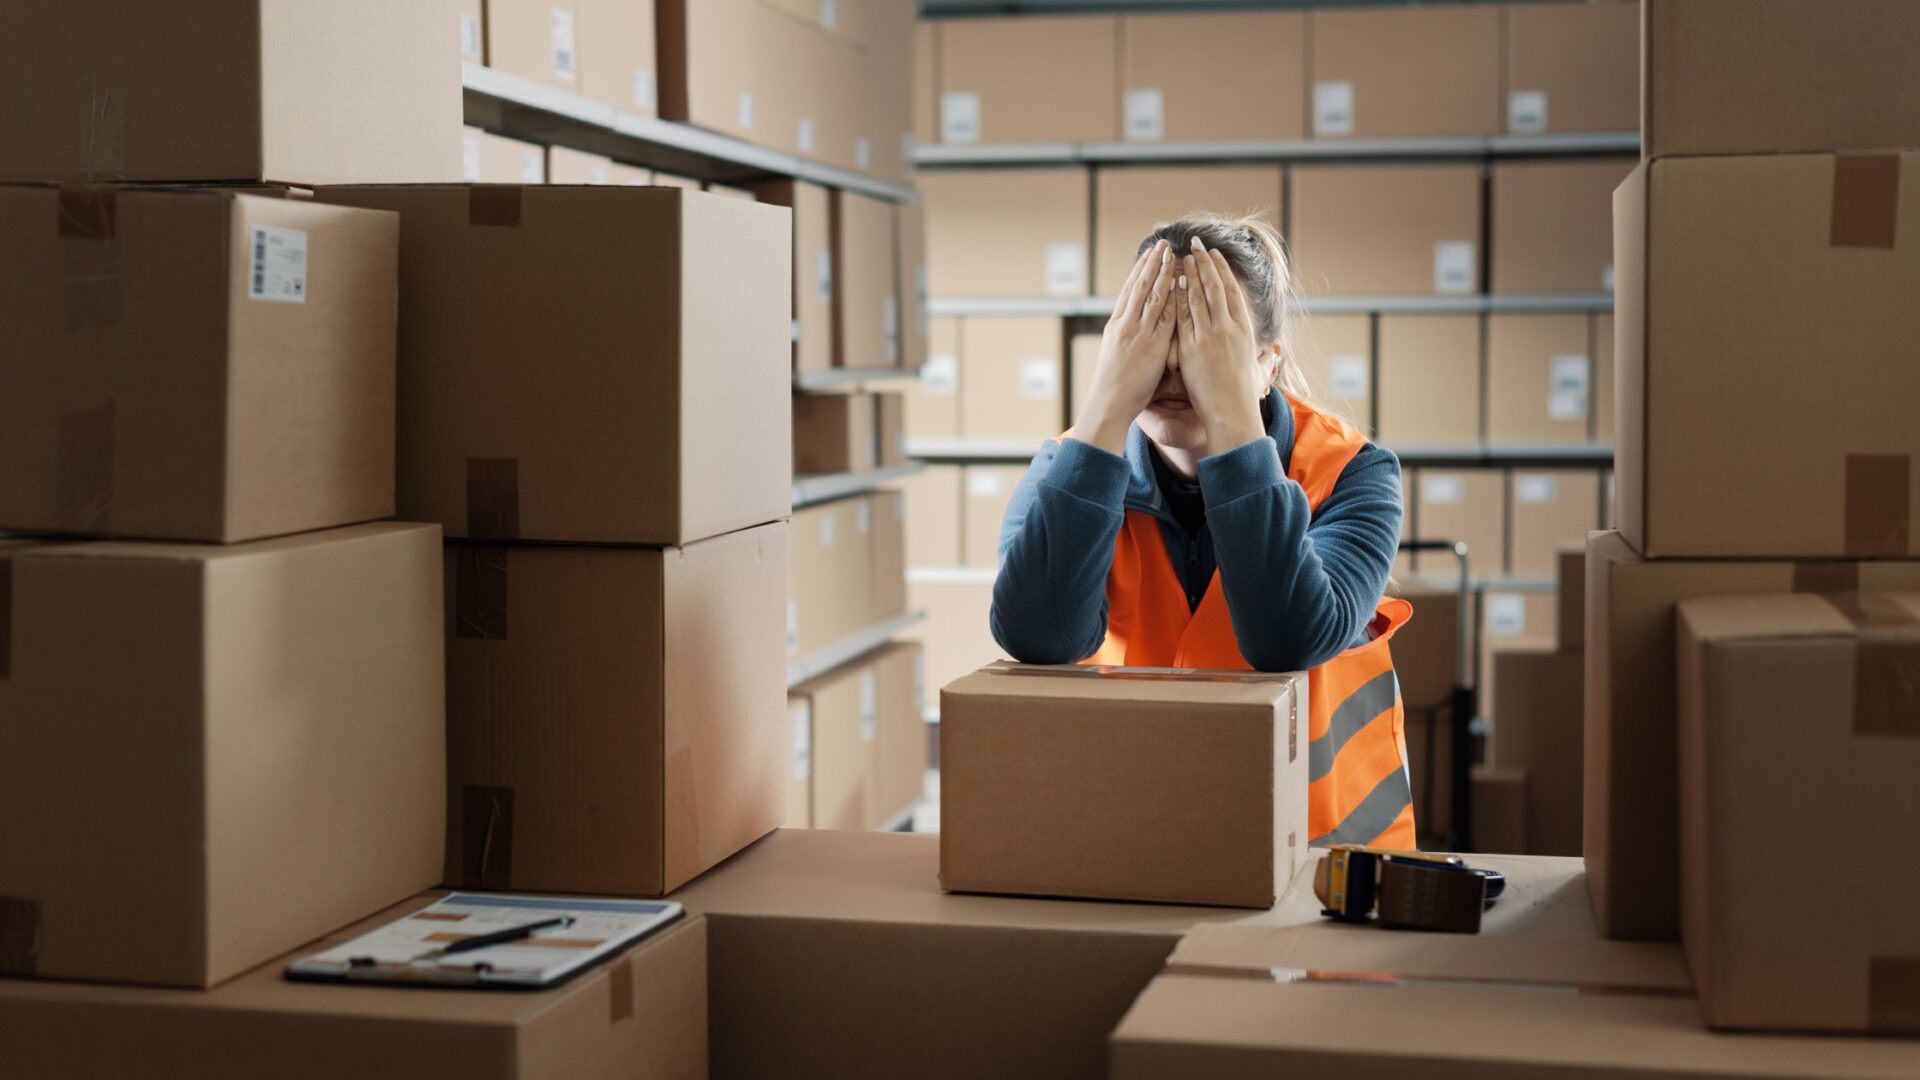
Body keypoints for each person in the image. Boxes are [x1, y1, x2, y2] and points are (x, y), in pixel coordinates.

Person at [989, 213, 1416, 849]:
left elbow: (1289, 637)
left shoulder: (1352, 473)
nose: (1173, 369)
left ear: (1269, 364)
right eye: (1153, 334)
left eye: (1206, 343)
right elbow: (1037, 635)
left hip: (1325, 864)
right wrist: (1106, 408)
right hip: (1141, 835)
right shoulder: (1071, 465)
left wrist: (1232, 425)